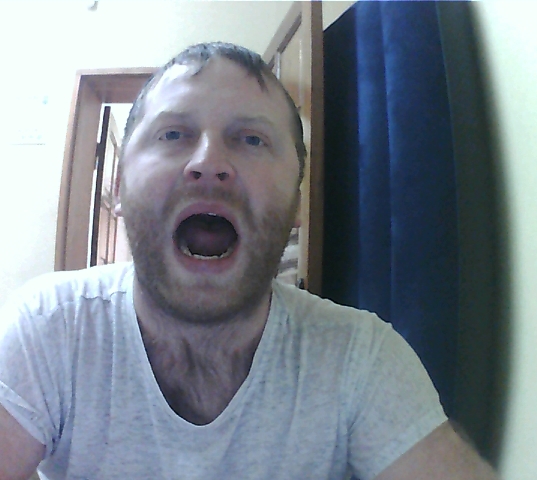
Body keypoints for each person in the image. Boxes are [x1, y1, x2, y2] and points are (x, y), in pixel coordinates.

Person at [0, 42, 498, 480]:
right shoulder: (48, 329)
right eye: (173, 134)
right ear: (120, 188)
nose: (208, 163)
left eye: (252, 139)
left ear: (298, 202)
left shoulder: (361, 359)